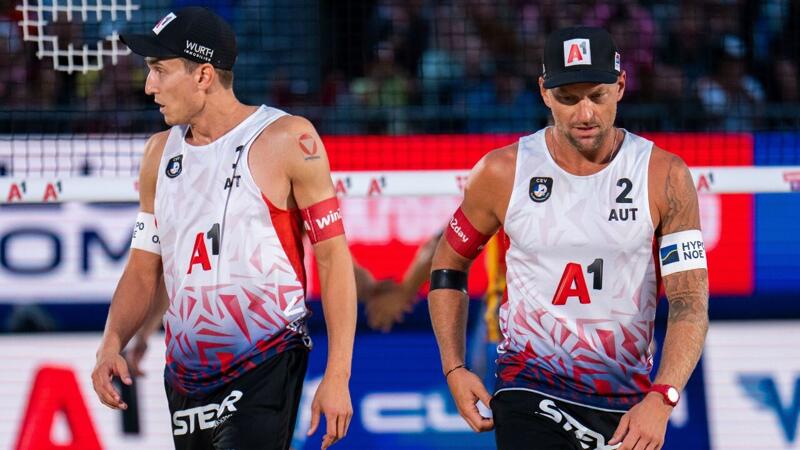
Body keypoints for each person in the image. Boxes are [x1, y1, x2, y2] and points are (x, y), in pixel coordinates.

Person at [428, 26, 709, 450]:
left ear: (620, 86)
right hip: (529, 385)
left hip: (625, 402)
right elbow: (448, 263)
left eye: (596, 95)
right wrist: (454, 367)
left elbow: (690, 299)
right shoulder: (503, 172)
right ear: (544, 92)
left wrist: (664, 397)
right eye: (568, 98)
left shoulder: (664, 175)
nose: (584, 114)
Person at [90, 7, 356, 450]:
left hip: (266, 359)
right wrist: (111, 342)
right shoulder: (159, 154)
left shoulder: (287, 138)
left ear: (203, 75)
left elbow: (333, 258)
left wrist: (338, 374)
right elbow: (143, 269)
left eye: (159, 70)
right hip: (185, 374)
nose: (148, 86)